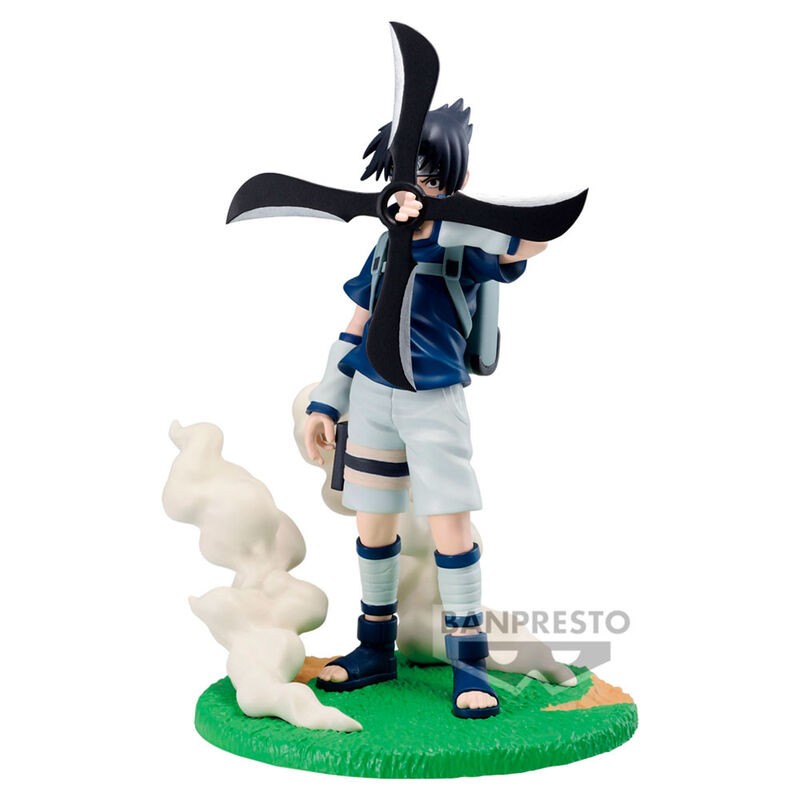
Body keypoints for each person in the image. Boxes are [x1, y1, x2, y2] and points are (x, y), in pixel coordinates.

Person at [303, 100, 547, 719]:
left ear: (455, 179)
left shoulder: (463, 239)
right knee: (372, 526)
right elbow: (354, 324)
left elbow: (533, 238)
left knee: (450, 529)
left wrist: (455, 211)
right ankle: (374, 647)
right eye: (406, 172)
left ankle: (470, 664)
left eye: (432, 175)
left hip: (433, 400)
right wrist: (327, 399)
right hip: (371, 397)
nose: (415, 186)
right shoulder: (384, 246)